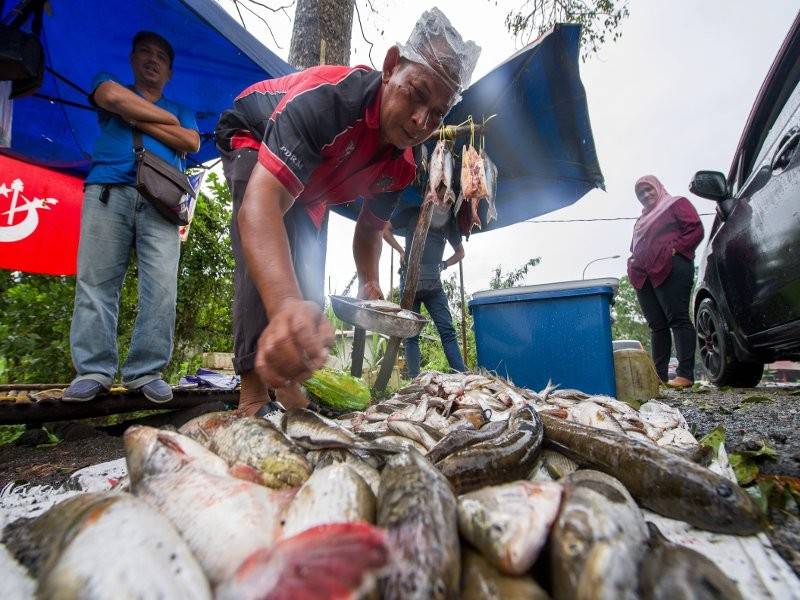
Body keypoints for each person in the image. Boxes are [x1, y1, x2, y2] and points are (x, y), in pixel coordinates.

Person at [215, 8, 479, 416]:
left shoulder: (403, 166)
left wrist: (369, 281)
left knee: (307, 277)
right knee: (271, 266)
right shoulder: (330, 101)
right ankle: (251, 395)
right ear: (391, 66)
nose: (420, 121)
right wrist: (283, 307)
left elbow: (370, 230)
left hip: (312, 187)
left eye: (437, 114)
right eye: (417, 93)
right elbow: (260, 207)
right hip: (253, 135)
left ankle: (289, 386)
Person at [63, 32, 200, 403]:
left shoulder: (182, 109)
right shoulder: (111, 84)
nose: (152, 60)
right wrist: (165, 122)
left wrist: (134, 116)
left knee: (162, 288)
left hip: (162, 201)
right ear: (132, 58)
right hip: (108, 189)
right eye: (145, 52)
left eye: (161, 57)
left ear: (169, 72)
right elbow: (109, 97)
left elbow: (191, 141)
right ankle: (93, 371)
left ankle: (146, 372)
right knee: (96, 281)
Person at [628, 175, 704, 388]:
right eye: (640, 193)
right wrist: (632, 262)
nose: (645, 195)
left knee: (678, 319)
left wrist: (674, 250)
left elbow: (695, 229)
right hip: (643, 275)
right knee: (656, 325)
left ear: (658, 187)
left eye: (649, 189)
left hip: (671, 267)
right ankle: (658, 376)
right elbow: (634, 246)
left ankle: (685, 375)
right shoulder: (640, 221)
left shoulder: (676, 204)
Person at [383, 204, 467, 378]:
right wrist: (401, 251)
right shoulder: (413, 212)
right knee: (411, 334)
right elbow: (385, 229)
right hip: (409, 280)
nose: (443, 204)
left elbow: (460, 252)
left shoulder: (449, 221)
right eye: (439, 197)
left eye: (447, 202)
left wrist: (444, 264)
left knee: (447, 331)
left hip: (433, 284)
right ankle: (415, 381)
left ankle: (462, 377)